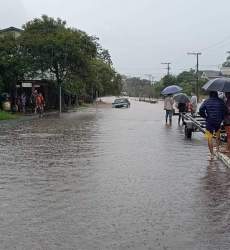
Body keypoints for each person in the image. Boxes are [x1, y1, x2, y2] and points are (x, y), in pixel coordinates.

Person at [199, 91, 227, 158]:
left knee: (209, 137)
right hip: (218, 121)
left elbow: (201, 109)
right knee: (218, 134)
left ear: (210, 95)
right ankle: (217, 150)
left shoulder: (207, 101)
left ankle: (211, 154)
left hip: (209, 121)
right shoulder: (221, 101)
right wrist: (221, 117)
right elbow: (225, 110)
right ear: (217, 95)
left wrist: (205, 116)